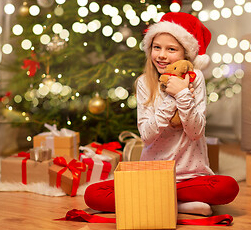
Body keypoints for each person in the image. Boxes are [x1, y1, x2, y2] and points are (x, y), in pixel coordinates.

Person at [84, 12, 239, 216]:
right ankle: (181, 205)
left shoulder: (196, 78)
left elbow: (195, 132)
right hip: (153, 175)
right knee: (93, 194)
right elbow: (147, 135)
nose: (162, 55)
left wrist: (183, 93)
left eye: (171, 49)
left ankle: (161, 200)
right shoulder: (144, 83)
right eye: (157, 47)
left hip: (191, 177)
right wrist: (171, 98)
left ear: (185, 55)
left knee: (227, 187)